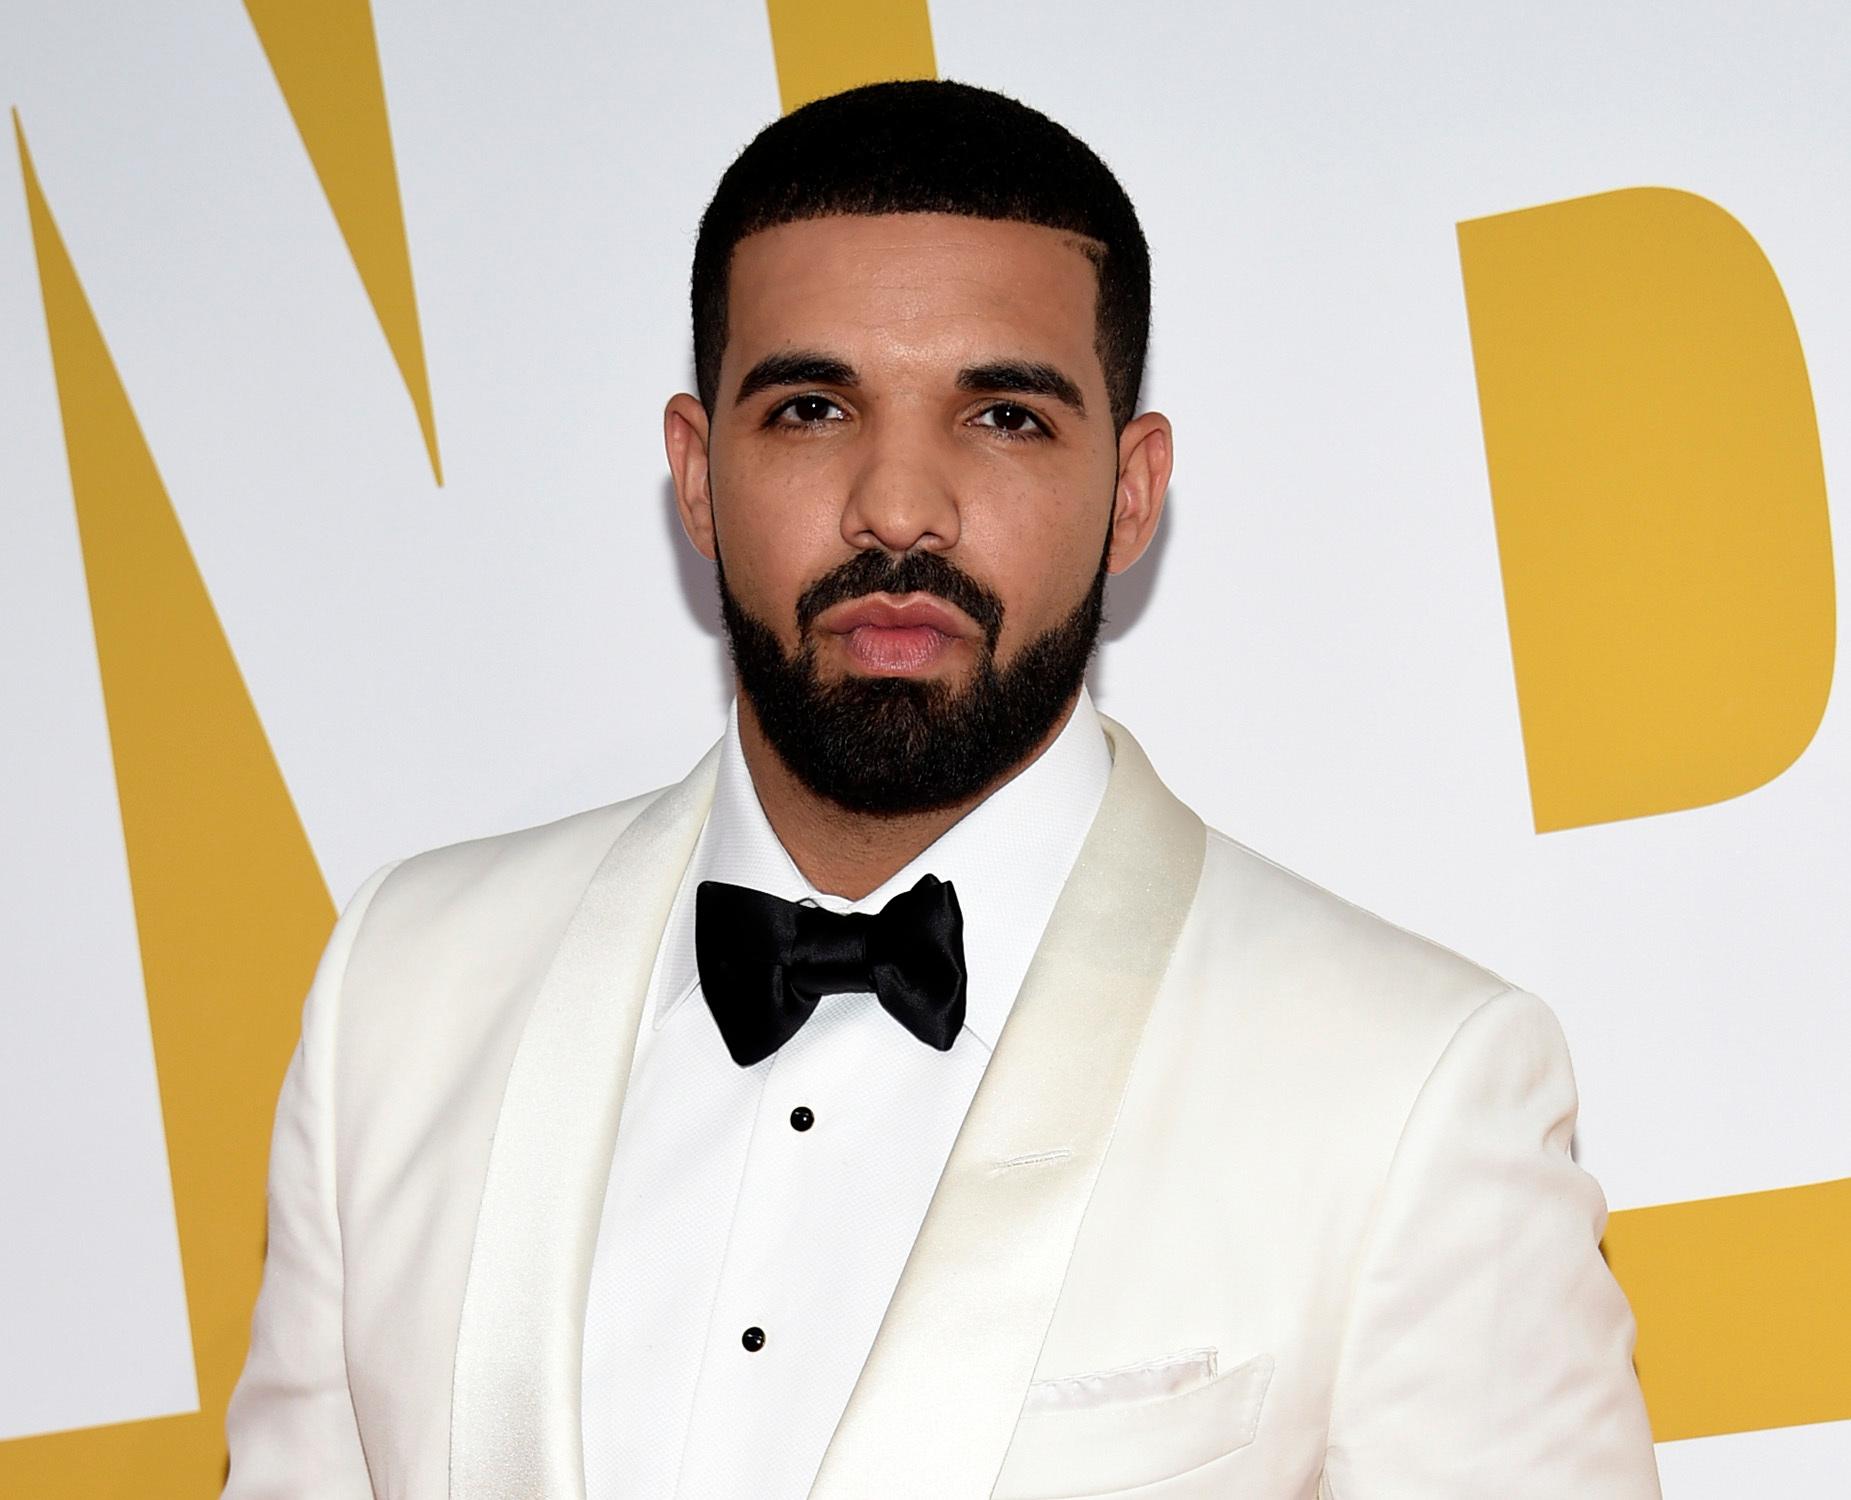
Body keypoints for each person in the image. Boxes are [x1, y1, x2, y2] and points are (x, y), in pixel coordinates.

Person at [223, 79, 1662, 1499]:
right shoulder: (403, 993)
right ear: (696, 471)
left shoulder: (1410, 1086)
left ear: (1134, 491)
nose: (898, 507)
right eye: (808, 408)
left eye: (1004, 419)